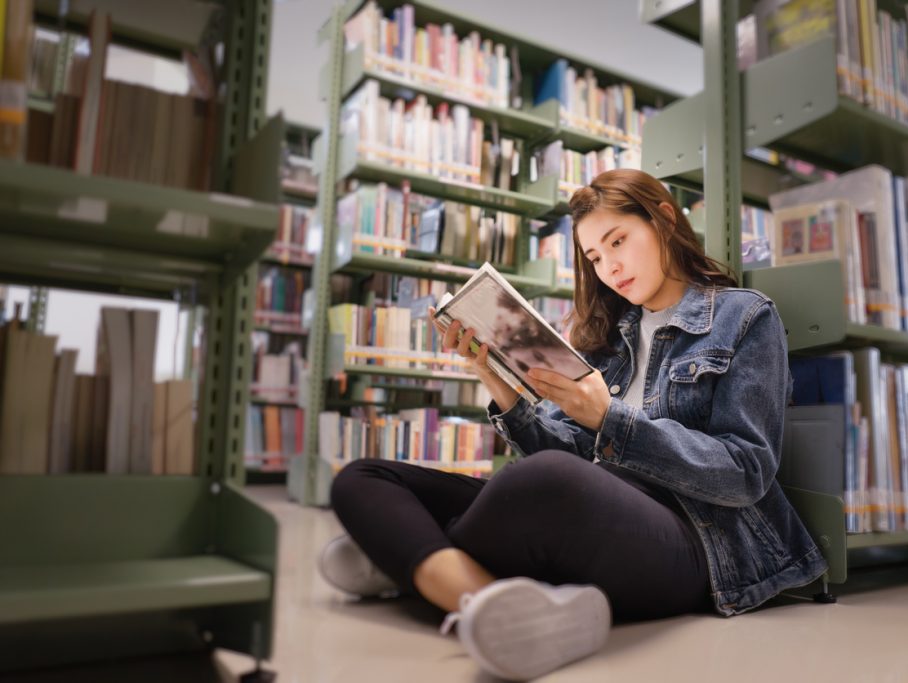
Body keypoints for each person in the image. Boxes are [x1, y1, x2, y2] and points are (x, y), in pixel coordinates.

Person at [321, 168, 828, 681]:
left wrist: (609, 417)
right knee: (363, 477)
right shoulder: (605, 338)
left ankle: (414, 559)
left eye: (618, 242)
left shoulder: (743, 318)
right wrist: (497, 382)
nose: (609, 268)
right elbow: (555, 450)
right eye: (593, 257)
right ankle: (474, 593)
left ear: (663, 220)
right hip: (590, 516)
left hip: (696, 540)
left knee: (540, 483)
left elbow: (745, 472)